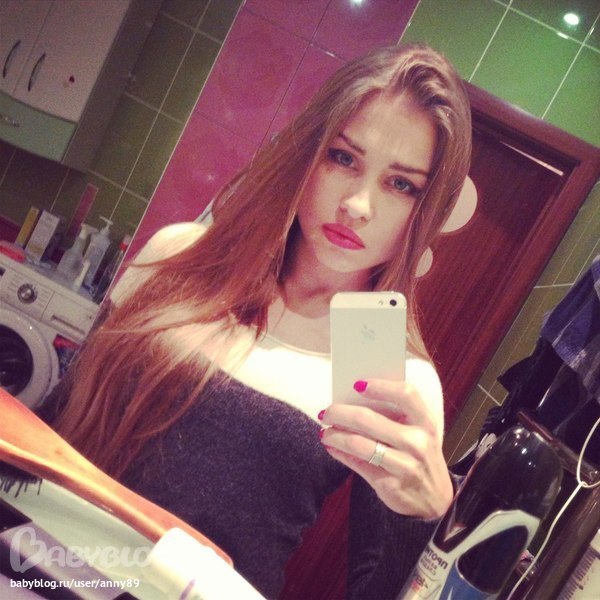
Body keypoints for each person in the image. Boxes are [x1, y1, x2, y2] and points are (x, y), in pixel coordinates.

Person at [44, 43, 472, 598]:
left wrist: (425, 522)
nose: (358, 205)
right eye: (343, 158)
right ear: (308, 153)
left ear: (426, 209)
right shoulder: (179, 257)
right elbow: (56, 425)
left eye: (401, 184)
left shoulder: (392, 374)